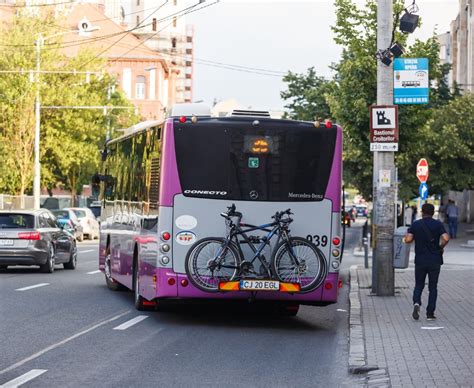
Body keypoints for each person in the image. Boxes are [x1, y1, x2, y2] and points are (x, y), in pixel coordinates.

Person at [403, 203, 449, 321]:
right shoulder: (438, 224)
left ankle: (416, 302)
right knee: (433, 287)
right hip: (435, 260)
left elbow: (408, 239)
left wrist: (405, 238)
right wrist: (440, 247)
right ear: (433, 212)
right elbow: (446, 238)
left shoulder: (416, 224)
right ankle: (430, 313)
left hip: (420, 260)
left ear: (422, 212)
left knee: (419, 285)